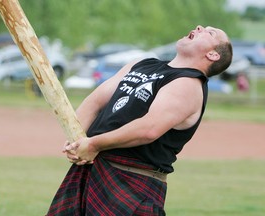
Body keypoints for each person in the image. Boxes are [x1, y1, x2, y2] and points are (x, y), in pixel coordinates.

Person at [47, 25, 232, 215]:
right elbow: (95, 102)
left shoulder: (189, 83)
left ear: (213, 55)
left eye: (210, 33)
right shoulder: (141, 64)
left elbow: (148, 129)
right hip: (91, 171)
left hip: (130, 182)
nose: (199, 27)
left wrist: (93, 144)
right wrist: (77, 139)